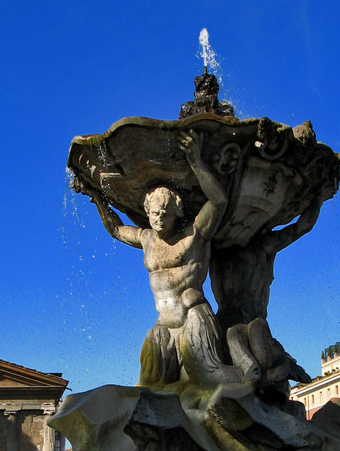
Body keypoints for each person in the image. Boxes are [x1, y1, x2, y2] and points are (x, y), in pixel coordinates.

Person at [90, 129, 242, 390]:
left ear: (176, 212)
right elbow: (116, 229)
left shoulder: (195, 234)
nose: (158, 219)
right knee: (147, 386)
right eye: (153, 213)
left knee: (210, 380)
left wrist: (195, 161)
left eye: (164, 213)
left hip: (193, 319)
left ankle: (251, 379)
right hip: (164, 325)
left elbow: (218, 201)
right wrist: (97, 199)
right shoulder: (147, 238)